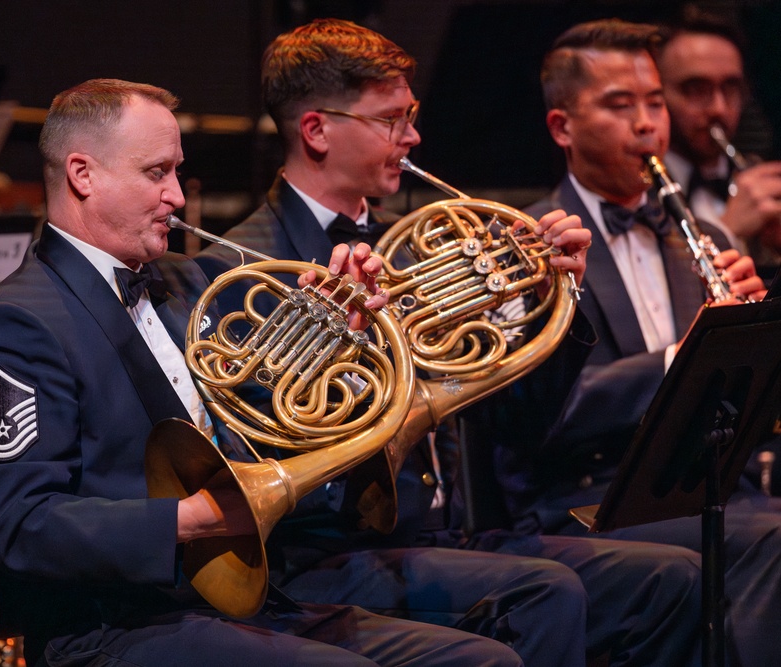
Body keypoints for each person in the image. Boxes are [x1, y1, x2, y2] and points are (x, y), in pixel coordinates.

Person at [0, 78, 526, 666]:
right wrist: (193, 519)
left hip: (240, 601)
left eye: (176, 172)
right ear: (82, 174)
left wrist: (341, 337)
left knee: (484, 661)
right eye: (156, 173)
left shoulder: (185, 282)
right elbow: (20, 525)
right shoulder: (18, 324)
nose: (176, 196)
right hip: (112, 626)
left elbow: (272, 416)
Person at [186, 18, 703, 667]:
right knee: (547, 592)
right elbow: (254, 436)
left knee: (671, 578)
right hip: (331, 551)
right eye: (392, 120)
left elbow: (523, 424)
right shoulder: (240, 266)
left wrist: (554, 307)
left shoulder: (426, 242)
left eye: (413, 116)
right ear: (317, 130)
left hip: (460, 529)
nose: (413, 138)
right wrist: (337, 347)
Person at [465, 18, 781, 665]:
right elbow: (538, 421)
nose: (648, 124)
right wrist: (677, 359)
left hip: (702, 485)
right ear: (562, 128)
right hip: (588, 501)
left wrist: (743, 340)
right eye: (619, 104)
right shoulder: (527, 253)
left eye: (655, 102)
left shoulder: (701, 237)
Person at [656, 6, 781, 283]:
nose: (718, 108)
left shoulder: (760, 177)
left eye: (730, 87)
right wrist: (727, 232)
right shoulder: (639, 194)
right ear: (657, 94)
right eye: (696, 88)